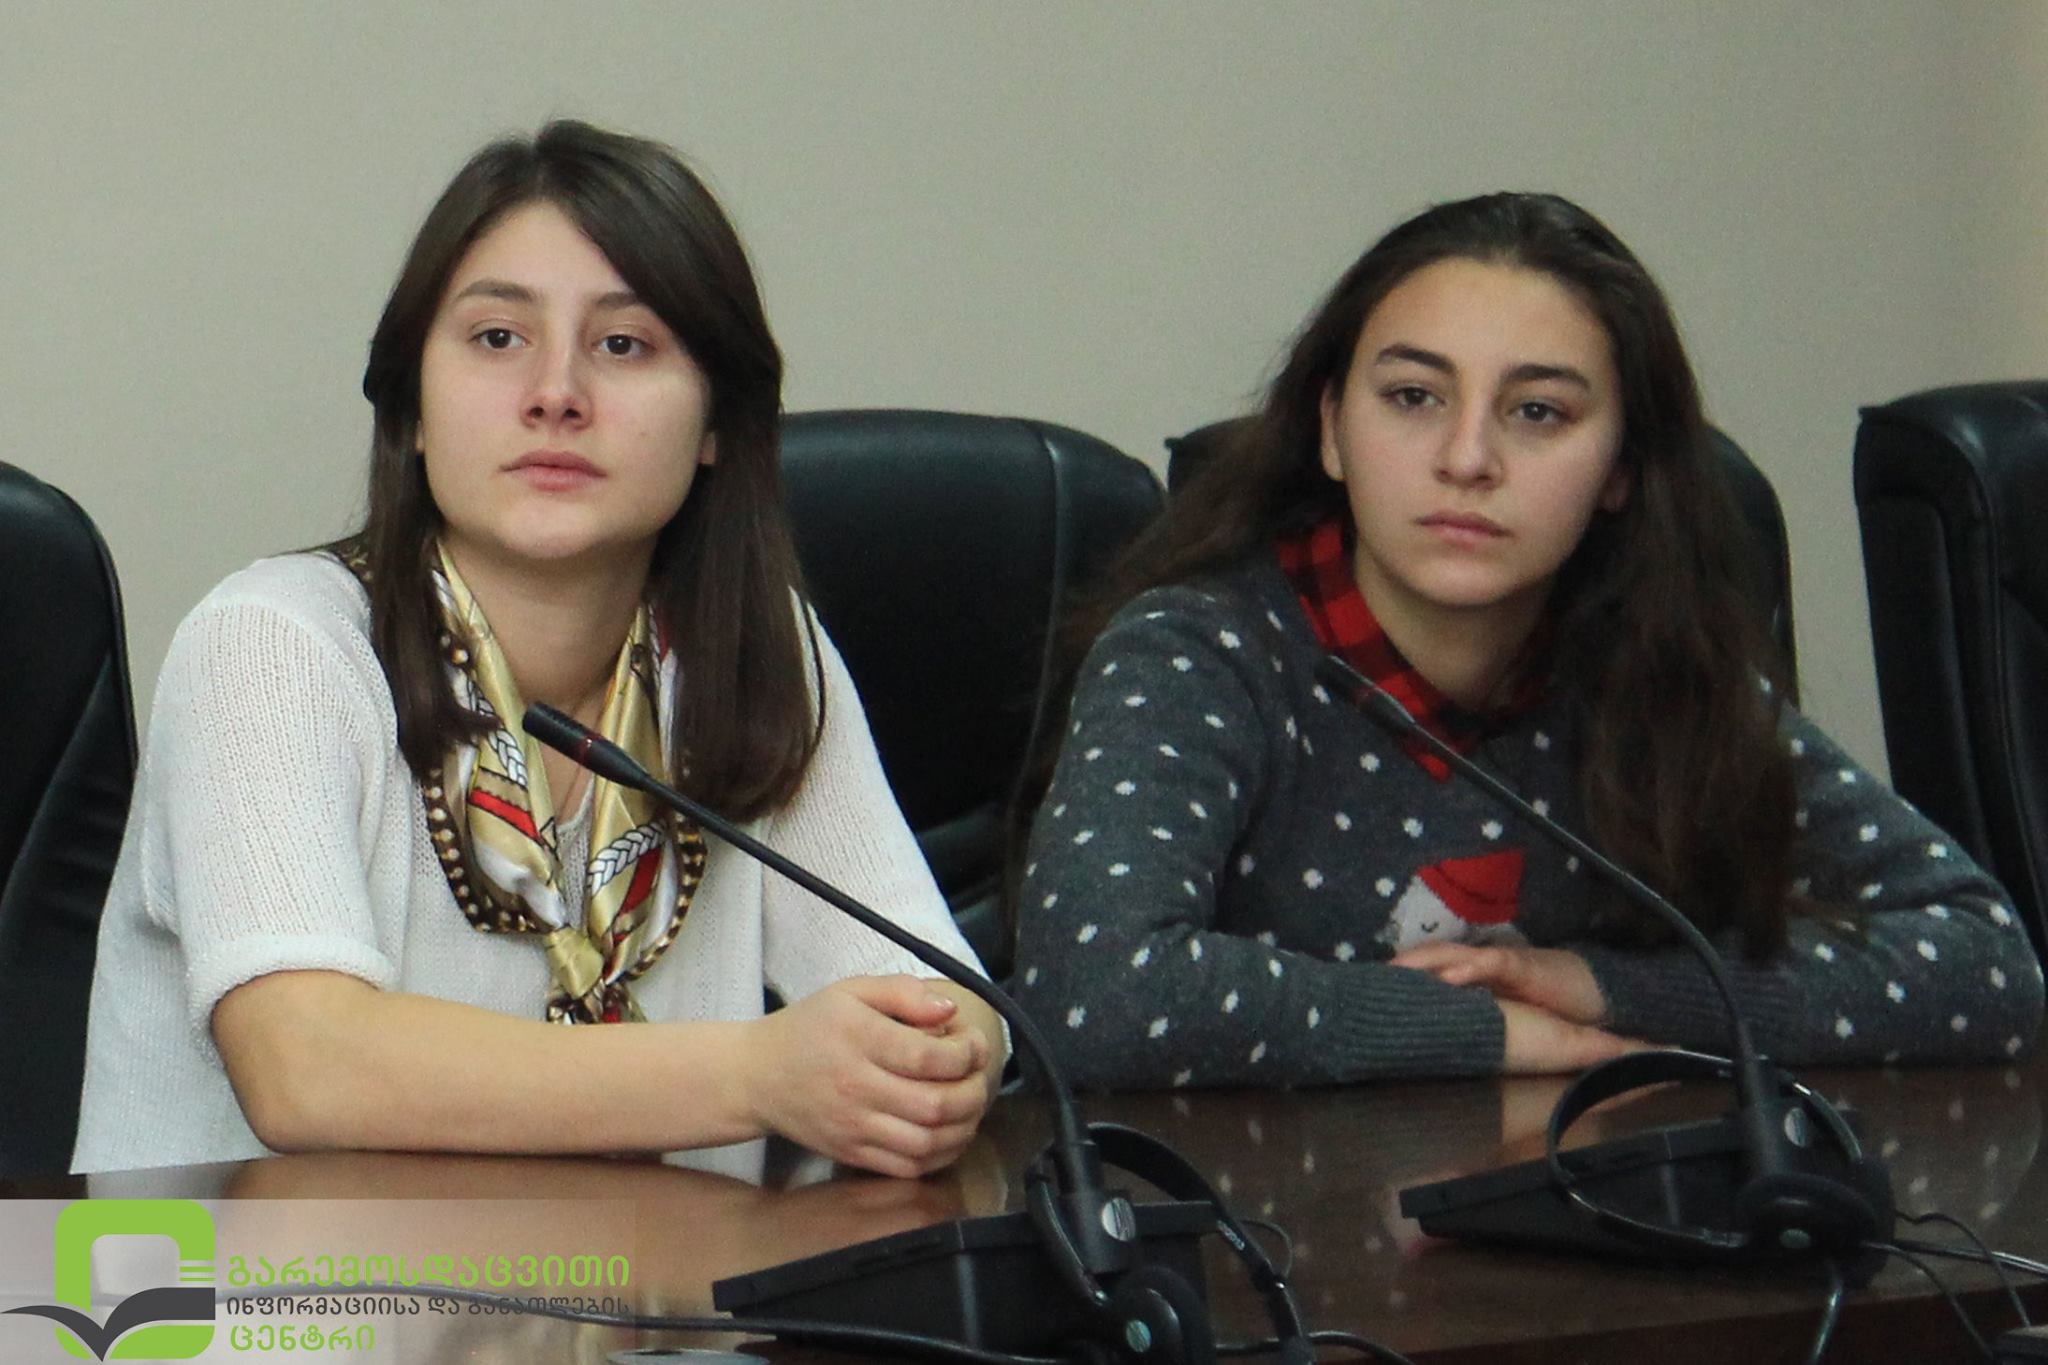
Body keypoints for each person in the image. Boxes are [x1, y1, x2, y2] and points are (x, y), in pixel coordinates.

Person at [74, 121, 1005, 1175]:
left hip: (645, 1280)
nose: (556, 393)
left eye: (624, 345)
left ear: (716, 423)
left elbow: (944, 999)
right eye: (496, 338)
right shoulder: (271, 645)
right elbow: (304, 1066)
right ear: (411, 408)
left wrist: (940, 1061)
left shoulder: (750, 649)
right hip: (215, 1279)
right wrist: (758, 1073)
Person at [1012, 192, 2043, 1090]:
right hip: (1261, 1235)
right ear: (1330, 429)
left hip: (1583, 1214)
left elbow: (1989, 965)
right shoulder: (1201, 654)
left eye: (1538, 412)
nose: (1467, 459)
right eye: (1412, 398)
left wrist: (1598, 988)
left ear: (1621, 468)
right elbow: (1094, 995)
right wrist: (1485, 1032)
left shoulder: (1658, 665)